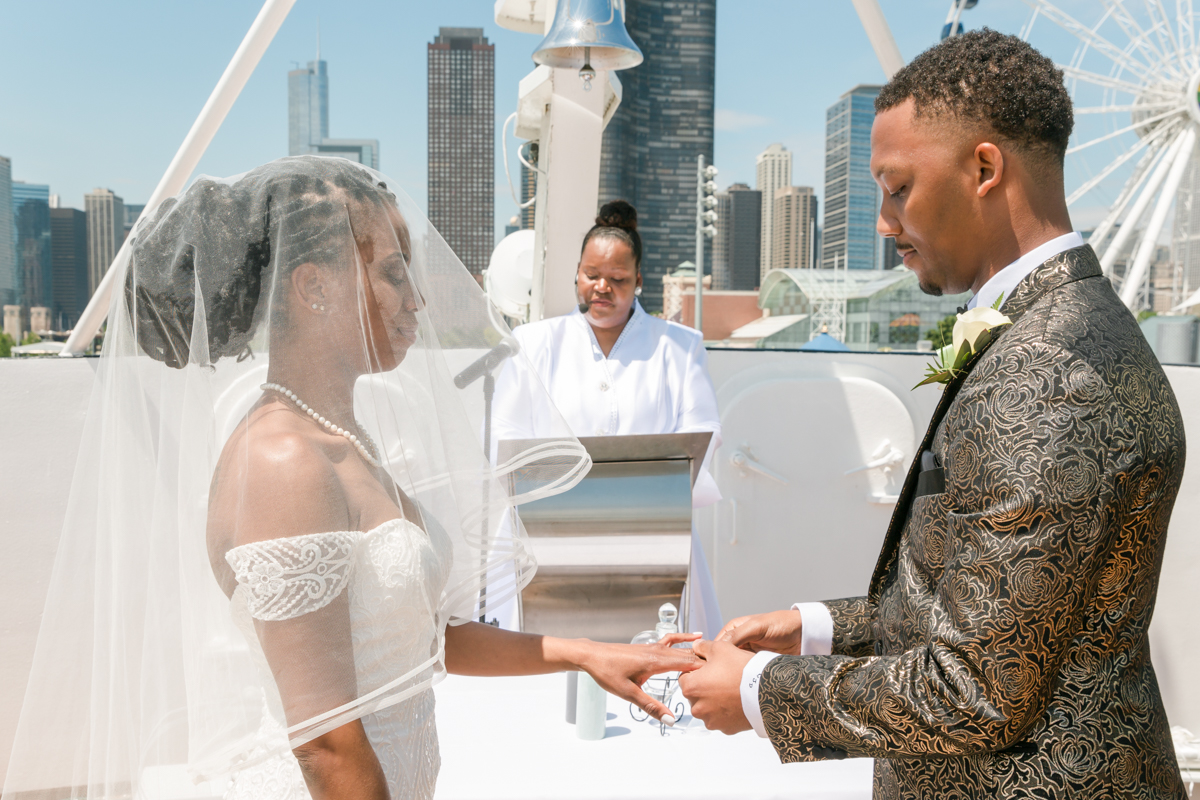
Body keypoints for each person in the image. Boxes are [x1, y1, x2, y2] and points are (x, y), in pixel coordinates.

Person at [1, 157, 697, 800]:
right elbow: (328, 748)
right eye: (394, 273)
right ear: (314, 289)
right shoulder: (283, 462)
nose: (417, 300)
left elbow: (422, 641)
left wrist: (591, 655)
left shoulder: (345, 437)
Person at [679, 30, 1188, 800]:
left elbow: (976, 688)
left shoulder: (1049, 371)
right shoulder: (1061, 326)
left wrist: (759, 691)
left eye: (897, 187)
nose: (885, 223)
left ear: (984, 169)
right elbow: (985, 604)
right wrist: (816, 628)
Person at [492, 200, 724, 637]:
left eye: (617, 280)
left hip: (655, 531)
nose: (601, 287)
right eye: (591, 275)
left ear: (638, 281)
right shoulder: (532, 342)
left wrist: (646, 492)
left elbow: (704, 433)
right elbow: (507, 436)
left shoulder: (679, 345)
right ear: (576, 274)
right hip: (546, 533)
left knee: (656, 652)